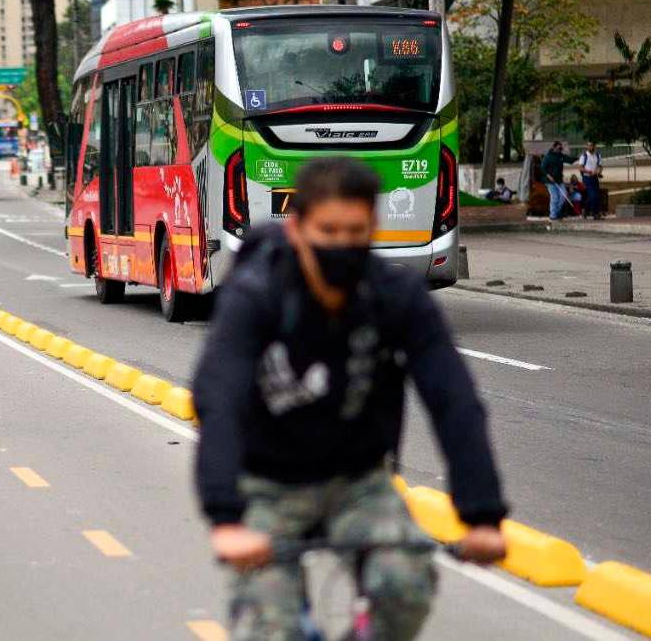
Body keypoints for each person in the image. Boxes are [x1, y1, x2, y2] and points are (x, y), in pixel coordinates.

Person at [193, 158, 508, 641]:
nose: (341, 245)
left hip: (360, 481)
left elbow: (453, 396)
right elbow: (219, 393)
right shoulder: (257, 293)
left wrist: (482, 513)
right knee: (270, 626)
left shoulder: (394, 293)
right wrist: (225, 517)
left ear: (373, 229)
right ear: (297, 228)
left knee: (405, 587)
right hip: (267, 483)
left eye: (355, 232)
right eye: (328, 231)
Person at [540, 141, 577, 220]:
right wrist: (548, 176)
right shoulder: (548, 157)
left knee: (563, 196)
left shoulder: (560, 156)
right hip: (550, 181)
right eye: (559, 148)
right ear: (554, 147)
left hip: (559, 180)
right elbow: (543, 168)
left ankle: (557, 212)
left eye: (561, 148)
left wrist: (578, 158)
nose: (560, 150)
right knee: (555, 197)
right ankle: (553, 215)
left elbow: (569, 160)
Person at [578, 142, 604, 219]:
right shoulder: (584, 156)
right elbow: (580, 168)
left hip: (595, 177)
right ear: (587, 146)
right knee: (593, 195)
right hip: (587, 178)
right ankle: (595, 213)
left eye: (592, 145)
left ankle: (585, 211)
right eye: (589, 145)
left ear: (594, 146)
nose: (590, 147)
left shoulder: (597, 155)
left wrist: (598, 171)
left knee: (594, 196)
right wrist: (588, 172)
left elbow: (600, 166)